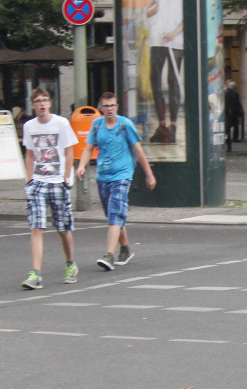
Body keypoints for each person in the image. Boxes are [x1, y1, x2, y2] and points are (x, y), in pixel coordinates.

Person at [75, 92, 158, 271]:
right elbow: (88, 148)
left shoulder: (124, 124)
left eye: (112, 105)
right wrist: (82, 166)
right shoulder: (96, 125)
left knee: (115, 213)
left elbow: (138, 149)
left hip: (122, 175)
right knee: (113, 215)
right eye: (106, 106)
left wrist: (149, 174)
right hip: (103, 176)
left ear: (117, 106)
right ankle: (126, 248)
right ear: (101, 108)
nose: (109, 109)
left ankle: (109, 255)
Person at [19, 88, 79, 289]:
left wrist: (66, 178)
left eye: (45, 100)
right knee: (37, 227)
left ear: (50, 103)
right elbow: (29, 154)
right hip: (38, 182)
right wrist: (29, 180)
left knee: (63, 228)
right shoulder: (29, 126)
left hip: (58, 182)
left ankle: (70, 263)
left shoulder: (61, 123)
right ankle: (35, 273)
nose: (42, 104)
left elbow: (69, 152)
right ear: (33, 105)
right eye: (38, 101)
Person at [145, 0, 184, 145]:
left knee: (173, 80)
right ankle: (162, 124)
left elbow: (189, 14)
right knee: (155, 79)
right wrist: (156, 5)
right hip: (158, 38)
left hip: (176, 40)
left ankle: (174, 125)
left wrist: (175, 32)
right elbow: (148, 12)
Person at [224, 81, 243, 151]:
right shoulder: (235, 93)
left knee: (227, 128)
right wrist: (240, 112)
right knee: (235, 125)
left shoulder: (226, 93)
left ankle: (227, 139)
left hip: (228, 113)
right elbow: (237, 103)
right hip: (234, 113)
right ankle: (234, 138)